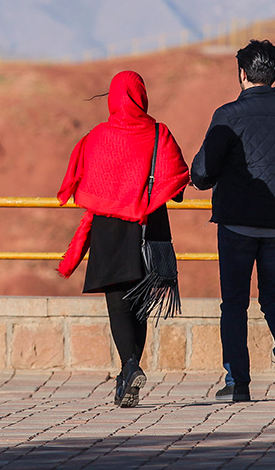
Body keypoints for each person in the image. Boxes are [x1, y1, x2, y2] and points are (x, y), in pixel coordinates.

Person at [191, 39, 275, 402]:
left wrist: (208, 178)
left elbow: (203, 171)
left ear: (242, 74)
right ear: (273, 73)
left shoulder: (227, 115)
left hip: (237, 223)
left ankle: (237, 383)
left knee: (234, 303)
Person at [58, 70, 189, 408]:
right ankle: (125, 375)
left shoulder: (97, 137)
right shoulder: (159, 133)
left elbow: (79, 181)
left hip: (110, 228)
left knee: (117, 304)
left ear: (113, 98)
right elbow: (175, 186)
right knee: (140, 308)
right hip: (151, 227)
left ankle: (129, 367)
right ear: (142, 96)